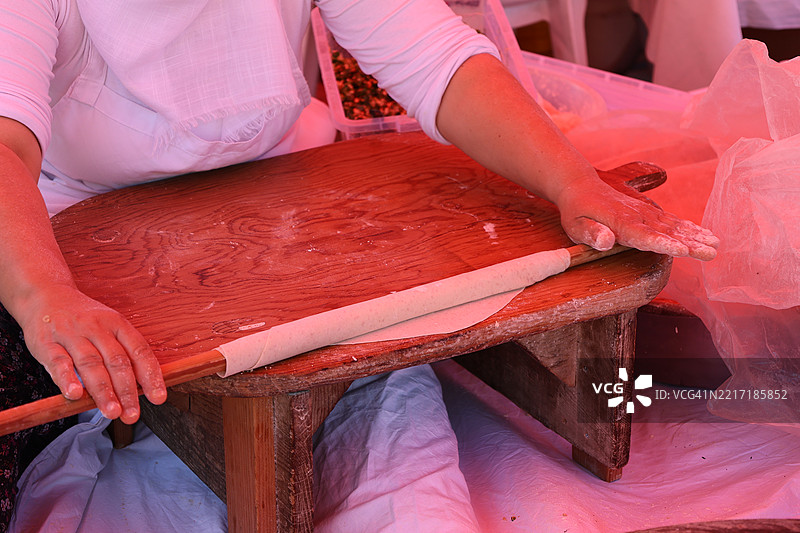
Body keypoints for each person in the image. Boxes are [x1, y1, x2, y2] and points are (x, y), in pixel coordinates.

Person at [0, 0, 719, 529]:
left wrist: (572, 182)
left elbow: (438, 59)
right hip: (83, 215)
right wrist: (45, 297)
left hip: (278, 188)